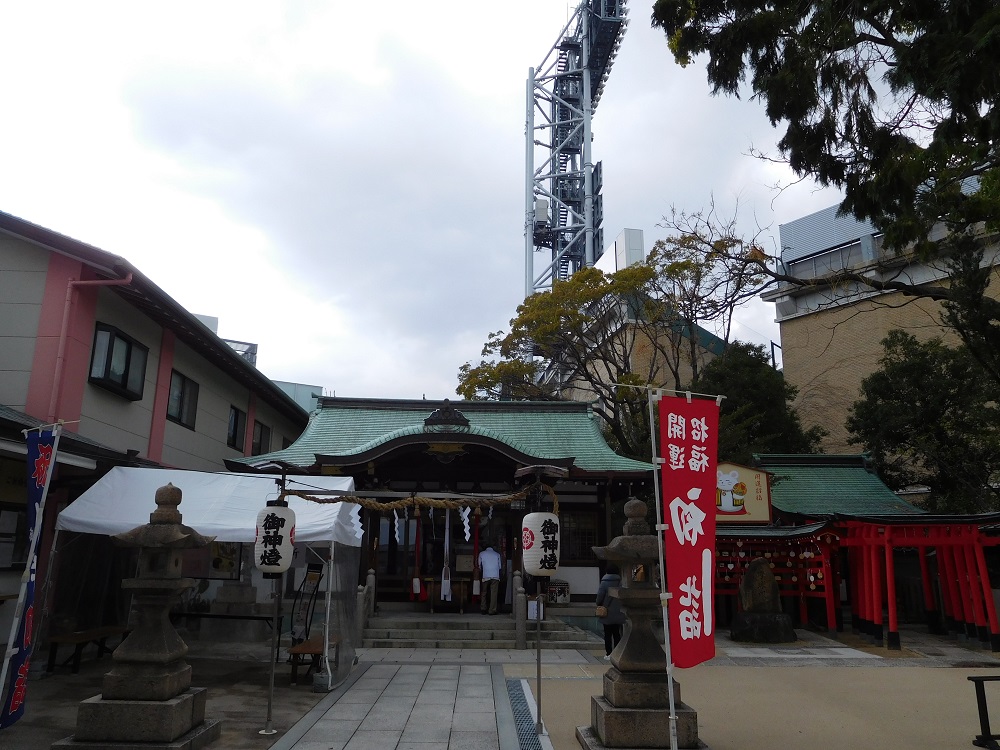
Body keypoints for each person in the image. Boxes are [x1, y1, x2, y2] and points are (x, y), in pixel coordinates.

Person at [596, 563, 625, 659]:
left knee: (607, 634)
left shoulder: (604, 582)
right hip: (618, 611)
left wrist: (599, 604)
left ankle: (608, 653)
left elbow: (599, 597)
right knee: (617, 633)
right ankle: (617, 652)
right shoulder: (621, 582)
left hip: (607, 611)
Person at [478, 543, 502, 615]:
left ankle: (483, 608)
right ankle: (492, 610)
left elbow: (479, 565)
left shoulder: (481, 554)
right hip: (495, 575)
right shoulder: (497, 554)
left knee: (484, 592)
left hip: (486, 575)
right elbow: (500, 566)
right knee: (493, 593)